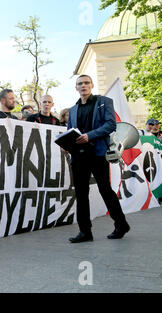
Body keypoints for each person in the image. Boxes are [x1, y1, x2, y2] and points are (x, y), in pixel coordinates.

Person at [67, 74, 130, 244]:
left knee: (105, 190)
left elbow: (110, 125)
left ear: (92, 85)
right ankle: (85, 232)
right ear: (76, 88)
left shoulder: (104, 102)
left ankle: (121, 224)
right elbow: (70, 131)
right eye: (80, 83)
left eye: (86, 83)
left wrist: (90, 136)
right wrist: (66, 144)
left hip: (97, 153)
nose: (83, 86)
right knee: (81, 194)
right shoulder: (72, 109)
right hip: (78, 156)